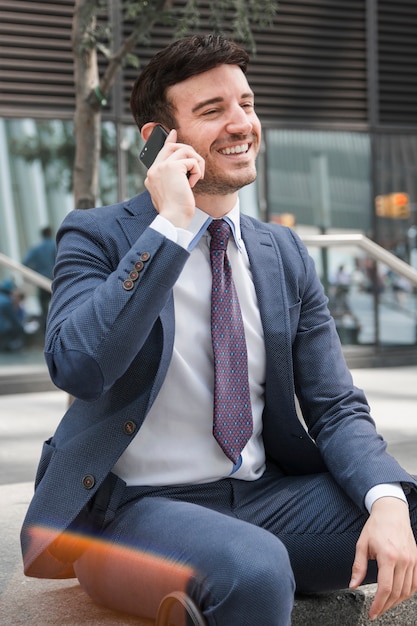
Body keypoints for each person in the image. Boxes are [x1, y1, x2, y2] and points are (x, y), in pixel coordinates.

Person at [21, 35, 416, 626]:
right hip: (136, 513)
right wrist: (172, 227)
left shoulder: (281, 252)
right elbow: (79, 363)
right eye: (213, 111)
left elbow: (334, 405)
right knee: (254, 571)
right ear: (158, 139)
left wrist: (385, 502)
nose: (241, 124)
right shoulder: (98, 235)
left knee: (402, 508)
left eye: (248, 104)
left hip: (267, 498)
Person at [22, 226, 56, 327]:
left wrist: (34, 272)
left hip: (41, 280)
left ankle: (47, 330)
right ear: (50, 233)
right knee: (58, 305)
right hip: (55, 280)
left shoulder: (36, 248)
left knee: (44, 308)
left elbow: (25, 262)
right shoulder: (56, 246)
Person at [0, 278, 25, 352]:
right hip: (3, 330)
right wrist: (21, 327)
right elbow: (13, 319)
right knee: (17, 328)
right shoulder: (7, 301)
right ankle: (10, 346)